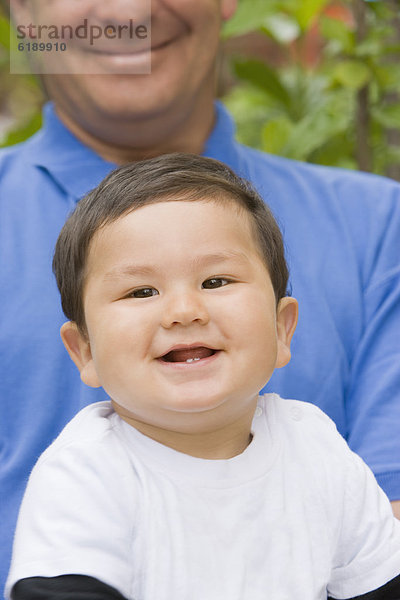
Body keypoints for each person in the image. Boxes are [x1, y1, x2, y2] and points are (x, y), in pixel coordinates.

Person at [1, 0, 400, 592]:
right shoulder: (85, 471)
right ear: (22, 15)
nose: (128, 10)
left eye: (217, 281)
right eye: (138, 290)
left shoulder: (380, 227)